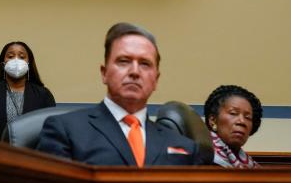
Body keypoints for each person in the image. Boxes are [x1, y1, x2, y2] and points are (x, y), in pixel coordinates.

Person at [37, 22, 207, 166]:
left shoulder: (186, 147)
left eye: (145, 64)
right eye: (124, 61)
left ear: (156, 79)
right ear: (104, 73)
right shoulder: (65, 130)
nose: (134, 72)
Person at [0, 41, 56, 139]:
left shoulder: (43, 94)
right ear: (3, 63)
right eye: (10, 56)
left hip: (33, 153)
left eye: (22, 57)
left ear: (29, 64)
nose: (16, 60)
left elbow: (51, 130)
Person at [203, 85, 262, 168]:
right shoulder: (203, 156)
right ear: (213, 120)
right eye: (233, 113)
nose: (242, 121)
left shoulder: (250, 165)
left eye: (248, 117)